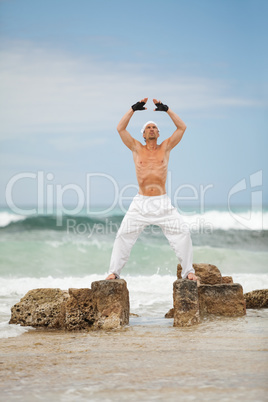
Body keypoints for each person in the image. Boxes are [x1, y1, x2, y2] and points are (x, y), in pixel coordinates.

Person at [106, 98, 197, 281]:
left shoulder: (165, 147)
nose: (151, 129)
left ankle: (189, 272)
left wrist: (167, 110)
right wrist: (133, 109)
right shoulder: (136, 148)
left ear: (158, 132)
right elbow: (120, 129)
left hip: (162, 202)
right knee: (123, 234)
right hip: (141, 203)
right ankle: (114, 272)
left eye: (154, 127)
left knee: (182, 233)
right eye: (148, 128)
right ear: (143, 135)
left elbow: (182, 128)